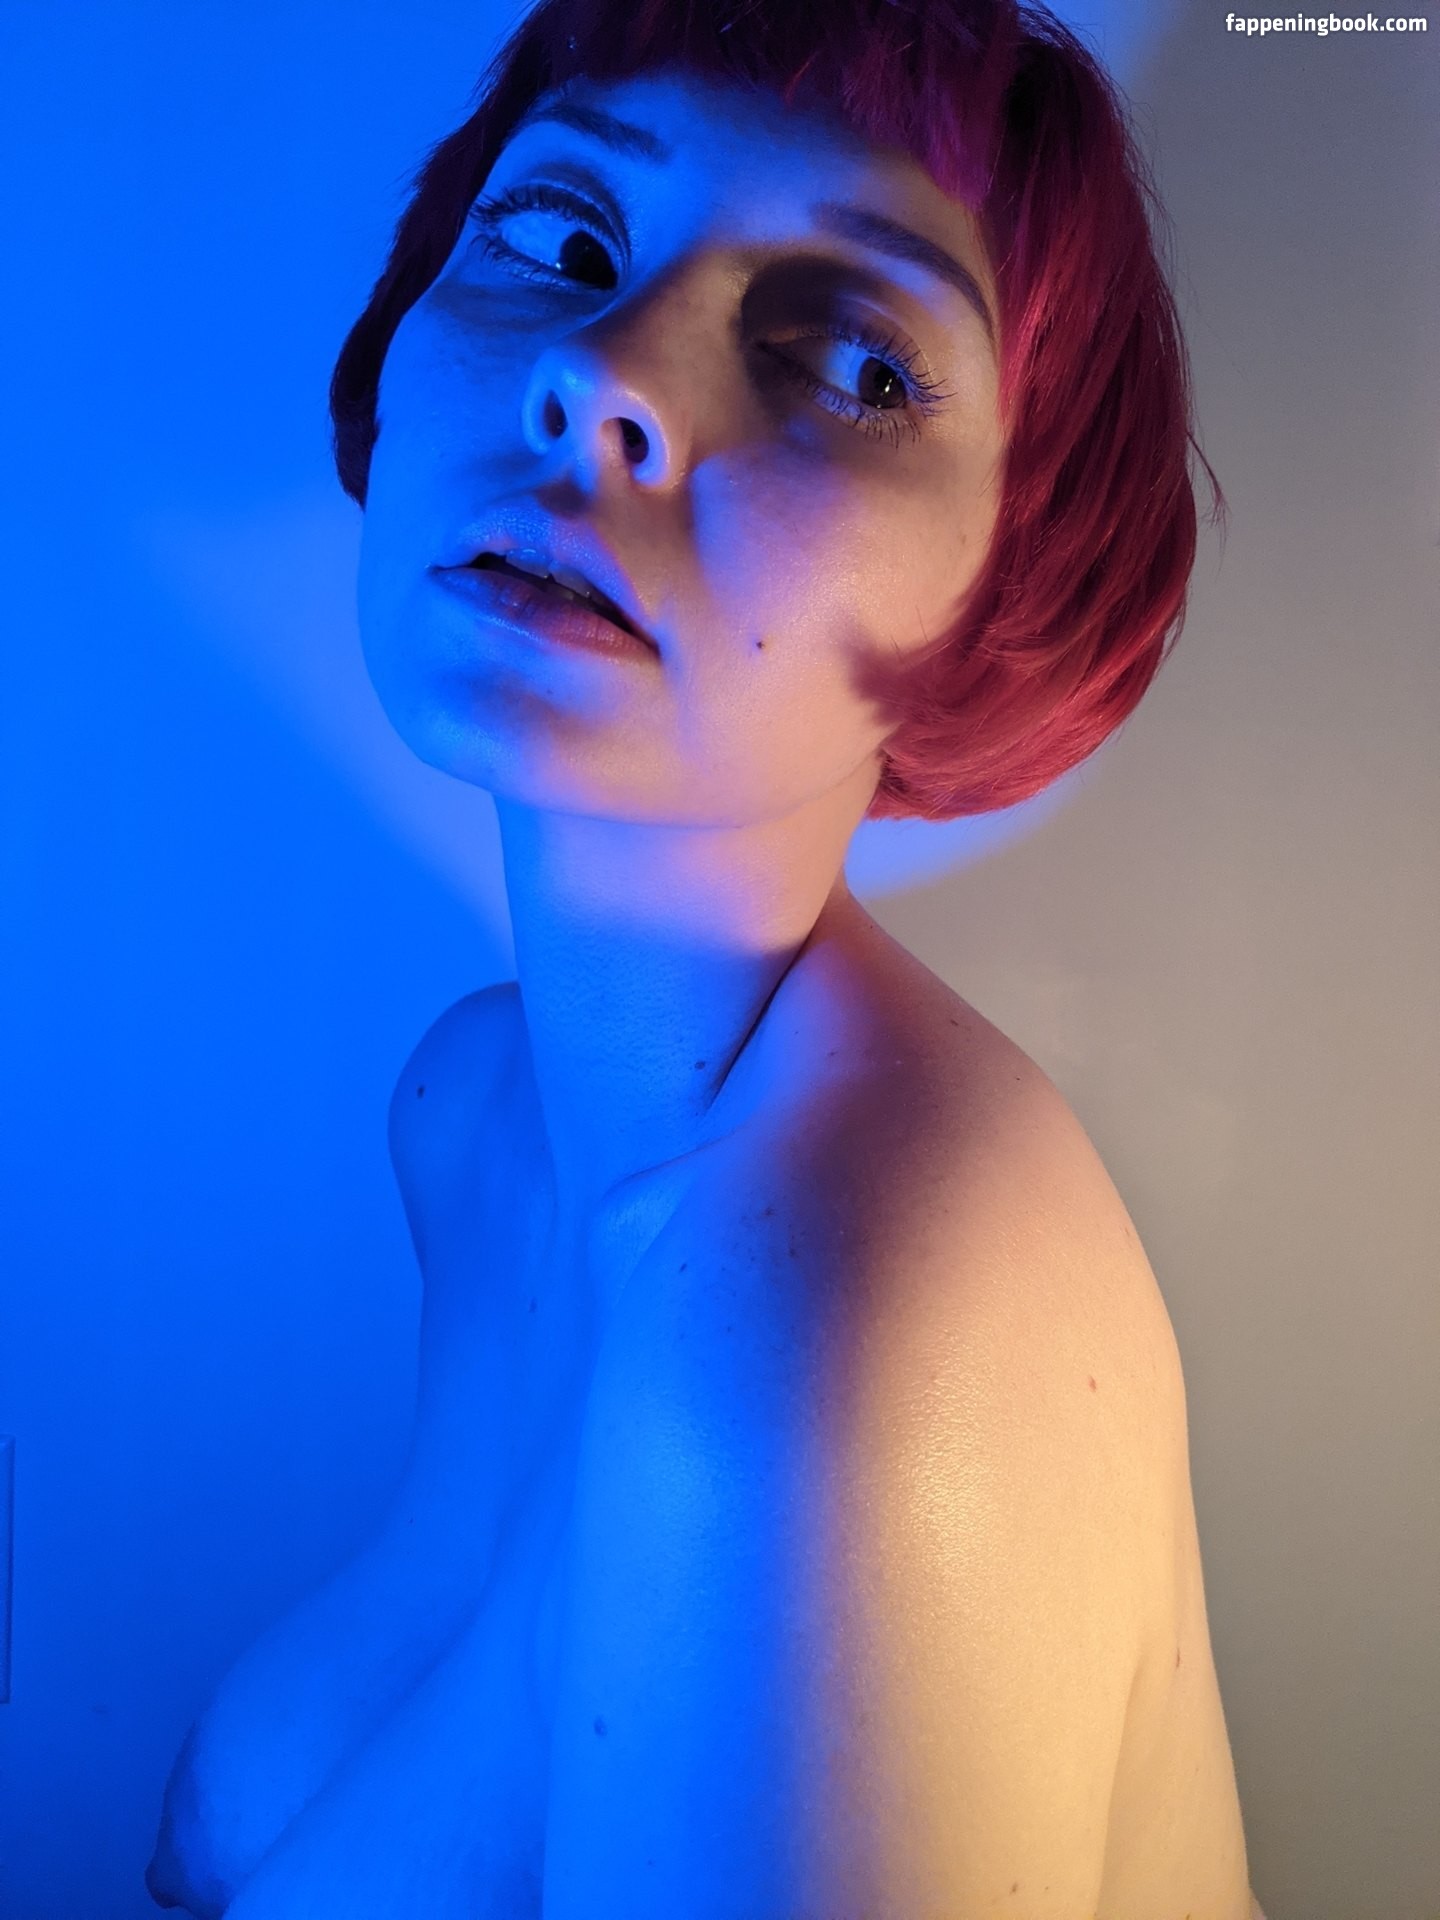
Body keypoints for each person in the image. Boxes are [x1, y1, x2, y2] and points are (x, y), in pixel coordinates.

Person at [147, 0, 1262, 1914]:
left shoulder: (856, 1323)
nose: (601, 375)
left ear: (1008, 585)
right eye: (564, 238)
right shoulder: (477, 1118)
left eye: (857, 363)